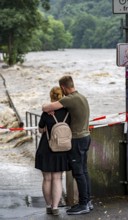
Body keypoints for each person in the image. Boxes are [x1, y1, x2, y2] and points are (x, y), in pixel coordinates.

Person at [42, 75, 93, 215]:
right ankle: (88, 201)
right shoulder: (82, 97)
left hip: (76, 140)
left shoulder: (68, 99)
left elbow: (47, 107)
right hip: (86, 137)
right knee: (84, 170)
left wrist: (45, 107)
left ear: (63, 87)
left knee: (78, 172)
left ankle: (83, 205)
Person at [35, 86, 71, 216]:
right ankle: (56, 207)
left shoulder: (47, 112)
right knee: (58, 178)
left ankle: (48, 206)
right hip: (61, 148)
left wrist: (46, 128)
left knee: (47, 179)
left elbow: (40, 129)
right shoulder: (68, 112)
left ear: (51, 97)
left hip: (46, 146)